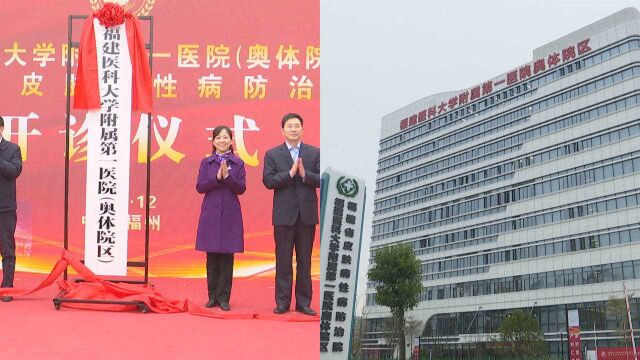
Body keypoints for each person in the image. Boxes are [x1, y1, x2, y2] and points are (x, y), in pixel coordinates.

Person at [262, 113, 320, 316]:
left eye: (297, 126)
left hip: (307, 215)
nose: (293, 129)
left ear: (302, 129)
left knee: (305, 261)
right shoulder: (273, 154)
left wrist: (305, 174)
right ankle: (283, 302)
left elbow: (321, 179)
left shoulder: (314, 153)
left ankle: (304, 303)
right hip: (283, 215)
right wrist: (289, 174)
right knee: (283, 260)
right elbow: (268, 181)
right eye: (289, 126)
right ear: (283, 130)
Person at [195, 125, 246, 311]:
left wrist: (228, 177)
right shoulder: (206, 162)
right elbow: (200, 187)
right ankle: (212, 297)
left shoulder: (238, 163)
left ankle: (224, 298)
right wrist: (217, 178)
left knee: (227, 257)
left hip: (230, 214)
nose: (222, 141)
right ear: (213, 141)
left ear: (231, 141)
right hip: (211, 213)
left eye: (226, 137)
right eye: (218, 138)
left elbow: (241, 188)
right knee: (212, 258)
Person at [0, 116, 22, 303]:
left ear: (1, 129)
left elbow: (15, 171)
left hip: (4, 208)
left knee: (7, 249)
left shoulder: (12, 149)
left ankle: (7, 287)